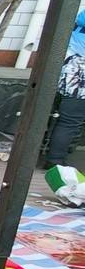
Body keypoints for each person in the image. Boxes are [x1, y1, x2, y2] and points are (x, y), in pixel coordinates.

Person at [45, 9, 85, 169]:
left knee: (64, 119)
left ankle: (54, 156)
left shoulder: (79, 23)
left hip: (64, 70)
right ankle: (55, 160)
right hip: (79, 77)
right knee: (70, 121)